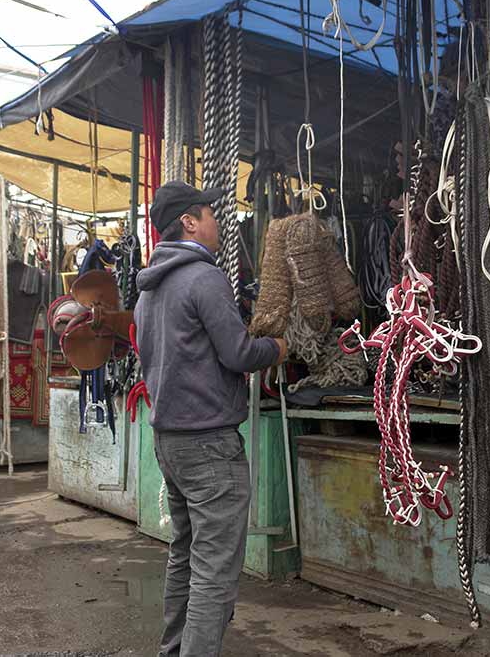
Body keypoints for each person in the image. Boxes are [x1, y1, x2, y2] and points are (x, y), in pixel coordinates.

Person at [135, 181, 287, 657]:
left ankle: (174, 650)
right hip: (209, 445)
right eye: (209, 213)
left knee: (185, 555)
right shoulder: (204, 279)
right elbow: (239, 353)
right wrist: (279, 348)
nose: (218, 222)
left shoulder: (148, 292)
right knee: (214, 570)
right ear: (189, 222)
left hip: (170, 441)